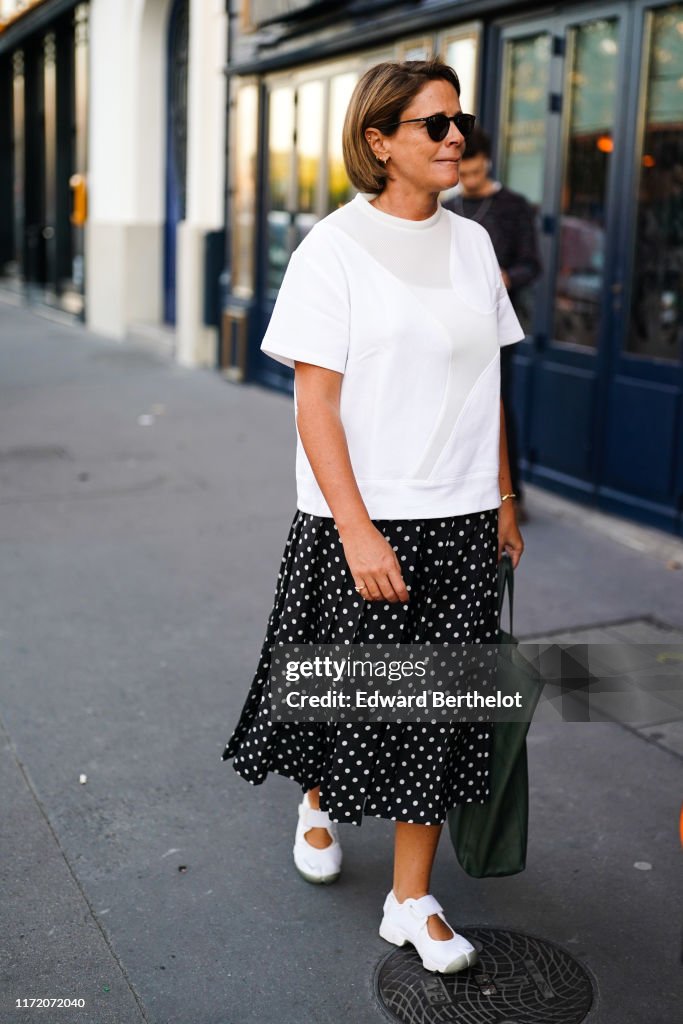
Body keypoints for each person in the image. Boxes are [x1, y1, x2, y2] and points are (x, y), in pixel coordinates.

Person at [221, 59, 525, 975]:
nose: (454, 139)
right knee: (350, 686)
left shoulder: (472, 245)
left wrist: (503, 494)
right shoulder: (333, 249)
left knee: (434, 707)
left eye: (458, 121)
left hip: (462, 516)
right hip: (361, 512)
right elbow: (315, 405)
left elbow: (489, 381)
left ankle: (410, 898)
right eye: (432, 126)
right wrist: (356, 528)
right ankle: (317, 796)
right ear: (377, 140)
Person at [442, 128, 541, 522]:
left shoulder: (514, 206)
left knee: (497, 406)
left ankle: (510, 495)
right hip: (452, 322)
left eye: (472, 165)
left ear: (485, 161)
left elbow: (533, 264)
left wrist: (506, 277)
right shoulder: (448, 206)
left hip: (497, 324)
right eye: (460, 169)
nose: (466, 175)